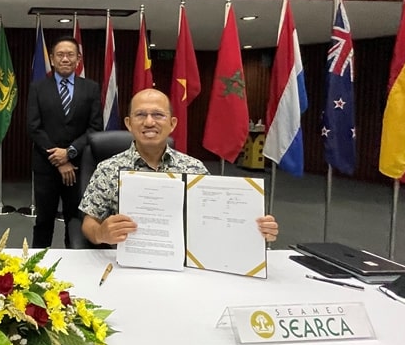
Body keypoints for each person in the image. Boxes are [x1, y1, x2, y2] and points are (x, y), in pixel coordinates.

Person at [79, 88, 279, 245]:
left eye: (158, 115)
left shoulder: (194, 168)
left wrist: (256, 231)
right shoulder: (108, 168)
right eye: (140, 115)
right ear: (129, 123)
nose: (149, 122)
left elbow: (218, 219)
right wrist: (101, 233)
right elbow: (89, 222)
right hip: (126, 262)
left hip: (186, 264)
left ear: (172, 124)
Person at [26, 36, 103, 248]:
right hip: (46, 167)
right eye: (60, 55)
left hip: (79, 167)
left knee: (75, 220)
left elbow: (95, 128)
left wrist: (69, 152)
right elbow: (34, 127)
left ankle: (75, 264)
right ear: (52, 59)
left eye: (70, 54)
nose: (65, 59)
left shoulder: (91, 88)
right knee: (44, 221)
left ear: (78, 59)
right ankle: (37, 266)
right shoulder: (38, 88)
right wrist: (59, 160)